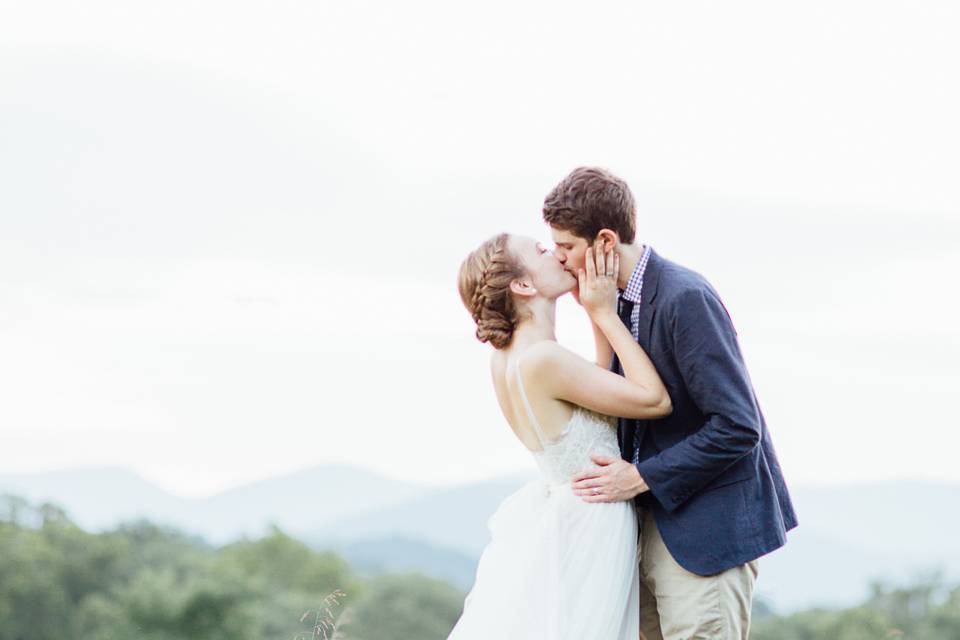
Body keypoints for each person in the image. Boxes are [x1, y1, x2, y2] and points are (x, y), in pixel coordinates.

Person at [546, 166, 798, 639]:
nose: (559, 260)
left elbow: (739, 427)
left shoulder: (686, 297)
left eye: (566, 247)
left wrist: (638, 477)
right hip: (646, 532)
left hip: (706, 536)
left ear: (604, 241)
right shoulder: (613, 305)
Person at [449, 232, 671, 639]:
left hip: (568, 510)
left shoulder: (508, 359)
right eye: (539, 251)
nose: (553, 253)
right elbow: (653, 399)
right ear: (523, 285)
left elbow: (598, 389)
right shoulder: (544, 359)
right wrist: (606, 315)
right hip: (592, 520)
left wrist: (592, 309)